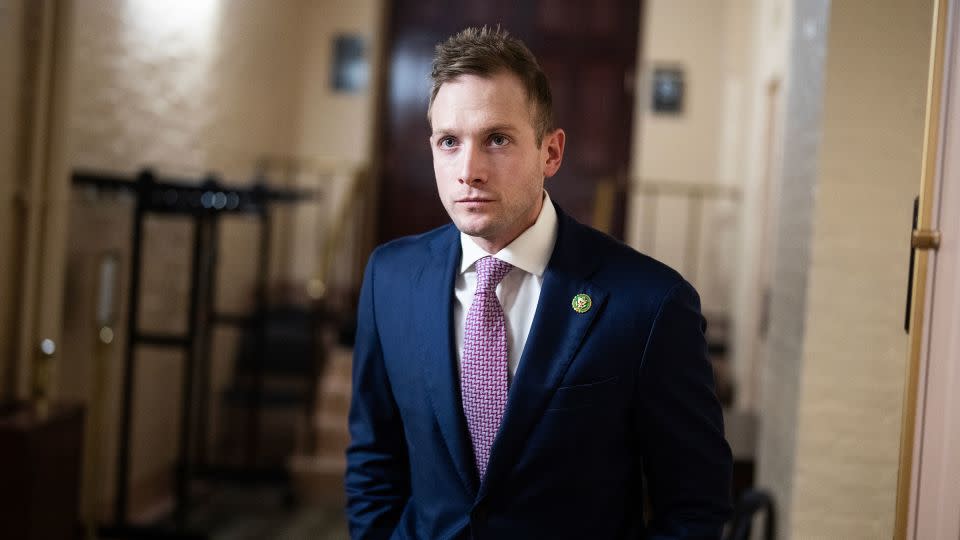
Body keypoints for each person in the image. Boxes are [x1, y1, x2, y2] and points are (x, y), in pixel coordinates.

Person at [345, 26, 732, 539]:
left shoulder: (650, 303)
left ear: (551, 152)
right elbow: (374, 455)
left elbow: (695, 503)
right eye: (449, 142)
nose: (469, 170)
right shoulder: (389, 277)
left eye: (497, 140)